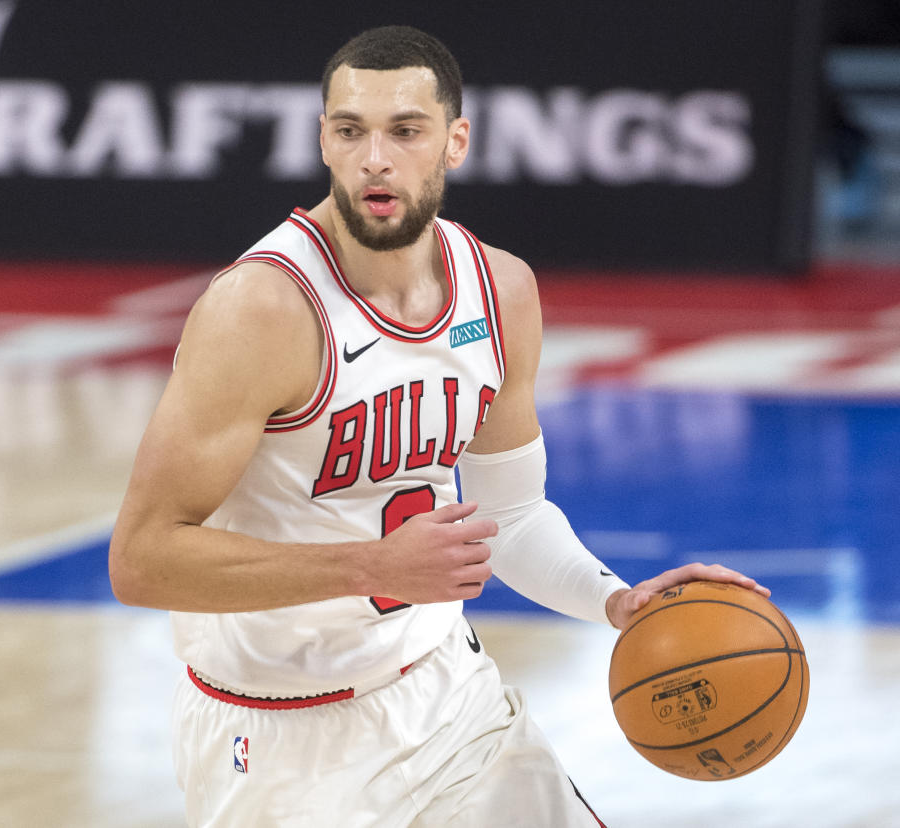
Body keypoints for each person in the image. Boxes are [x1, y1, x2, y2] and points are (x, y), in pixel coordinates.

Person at [109, 25, 769, 828]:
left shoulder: (499, 290)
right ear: (323, 139)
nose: (374, 158)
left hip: (449, 702)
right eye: (350, 131)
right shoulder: (261, 310)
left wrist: (617, 601)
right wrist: (372, 565)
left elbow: (512, 517)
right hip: (280, 741)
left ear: (456, 141)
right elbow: (142, 560)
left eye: (405, 131)